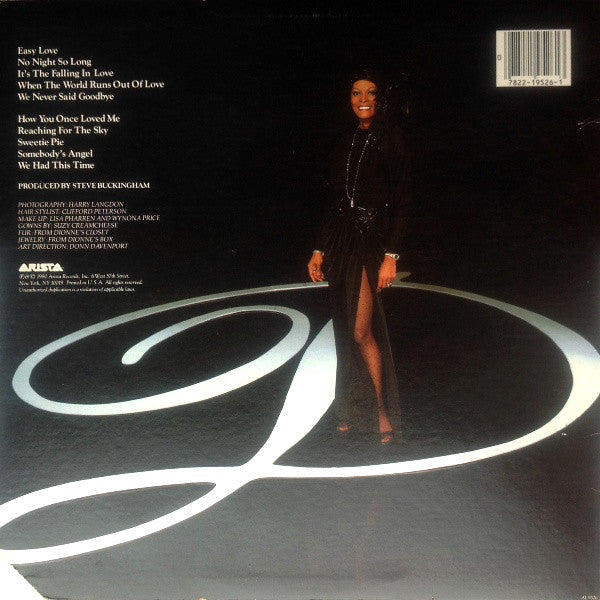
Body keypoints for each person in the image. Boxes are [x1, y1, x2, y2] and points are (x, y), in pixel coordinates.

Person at [307, 69, 411, 445]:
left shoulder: (392, 139)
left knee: (360, 330)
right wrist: (319, 249)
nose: (362, 100)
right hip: (341, 244)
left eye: (370, 93)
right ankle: (352, 409)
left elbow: (402, 202)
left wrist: (391, 255)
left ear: (381, 99)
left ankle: (381, 410)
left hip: (371, 244)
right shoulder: (346, 139)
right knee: (344, 330)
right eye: (356, 93)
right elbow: (334, 201)